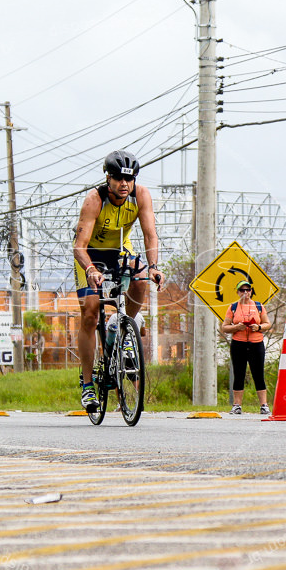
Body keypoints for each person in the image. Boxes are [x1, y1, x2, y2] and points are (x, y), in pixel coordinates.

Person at [73, 150, 163, 411]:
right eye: (118, 179)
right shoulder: (94, 200)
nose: (124, 184)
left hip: (119, 251)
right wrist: (90, 269)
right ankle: (88, 386)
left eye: (129, 178)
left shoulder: (141, 195)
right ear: (108, 178)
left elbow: (150, 235)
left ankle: (123, 331)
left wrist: (154, 267)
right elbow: (79, 246)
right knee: (90, 313)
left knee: (141, 278)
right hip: (90, 254)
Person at [221, 281, 272, 415]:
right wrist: (237, 327)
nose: (245, 293)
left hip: (256, 343)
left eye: (248, 290)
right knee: (239, 374)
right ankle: (237, 405)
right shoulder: (233, 307)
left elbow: (268, 324)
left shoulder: (258, 306)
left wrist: (258, 327)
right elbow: (224, 327)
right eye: (242, 290)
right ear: (238, 292)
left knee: (258, 373)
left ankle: (264, 405)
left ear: (251, 292)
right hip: (239, 343)